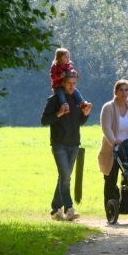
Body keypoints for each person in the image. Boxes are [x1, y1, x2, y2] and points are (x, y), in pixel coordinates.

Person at [41, 72, 92, 221]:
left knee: (64, 177)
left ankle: (55, 209)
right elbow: (44, 120)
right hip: (59, 144)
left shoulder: (77, 101)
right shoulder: (54, 100)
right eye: (69, 83)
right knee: (65, 177)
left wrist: (86, 114)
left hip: (74, 143)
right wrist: (59, 113)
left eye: (74, 83)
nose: (72, 86)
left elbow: (79, 122)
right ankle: (69, 209)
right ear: (62, 83)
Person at [98, 79, 128, 221]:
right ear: (116, 92)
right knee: (110, 180)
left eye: (127, 90)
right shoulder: (108, 107)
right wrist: (114, 141)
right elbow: (106, 128)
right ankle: (111, 210)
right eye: (121, 90)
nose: (124, 93)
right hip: (113, 149)